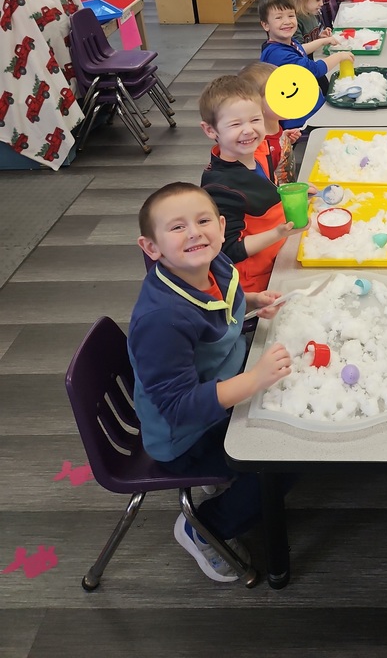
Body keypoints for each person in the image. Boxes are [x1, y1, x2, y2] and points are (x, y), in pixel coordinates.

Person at [128, 182, 292, 582]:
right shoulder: (162, 319)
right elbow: (178, 407)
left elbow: (224, 300)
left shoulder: (214, 264)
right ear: (151, 247)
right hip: (184, 437)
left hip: (223, 386)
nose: (194, 233)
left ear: (220, 227)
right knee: (287, 458)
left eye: (202, 221)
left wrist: (252, 302)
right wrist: (255, 379)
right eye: (177, 227)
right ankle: (205, 528)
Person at [199, 74, 298, 292]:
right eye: (235, 124)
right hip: (257, 283)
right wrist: (279, 232)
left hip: (279, 254)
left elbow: (267, 188)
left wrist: (290, 191)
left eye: (255, 120)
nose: (248, 130)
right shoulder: (220, 188)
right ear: (210, 130)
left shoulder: (256, 150)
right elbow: (228, 249)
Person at [259, 0, 353, 128]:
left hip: (310, 103)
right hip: (301, 117)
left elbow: (301, 49)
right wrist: (339, 56)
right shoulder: (278, 54)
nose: (287, 21)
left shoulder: (286, 43)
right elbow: (314, 69)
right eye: (278, 18)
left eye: (291, 16)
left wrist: (322, 41)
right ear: (265, 25)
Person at [239, 59, 301, 185]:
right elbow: (264, 187)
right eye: (278, 95)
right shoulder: (258, 148)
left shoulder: (274, 124)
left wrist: (284, 139)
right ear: (257, 105)